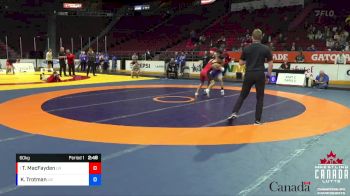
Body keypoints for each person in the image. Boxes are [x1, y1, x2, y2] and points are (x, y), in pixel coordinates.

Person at [227, 29, 273, 125]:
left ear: (252, 37)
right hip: (260, 74)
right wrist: (268, 76)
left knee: (242, 95)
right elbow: (270, 63)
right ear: (261, 37)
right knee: (260, 97)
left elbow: (240, 63)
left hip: (249, 73)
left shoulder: (247, 48)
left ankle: (234, 112)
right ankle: (257, 120)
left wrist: (249, 60)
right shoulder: (265, 48)